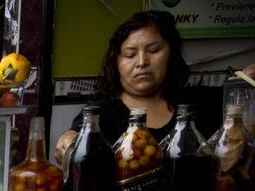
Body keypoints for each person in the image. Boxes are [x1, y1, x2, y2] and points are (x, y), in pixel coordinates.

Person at [54, 10, 224, 164]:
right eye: (130, 54)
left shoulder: (201, 103)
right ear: (116, 62)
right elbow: (75, 136)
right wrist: (69, 140)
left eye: (154, 50)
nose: (142, 62)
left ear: (171, 54)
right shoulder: (101, 114)